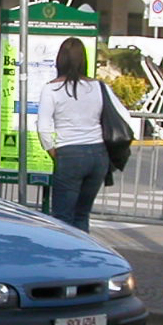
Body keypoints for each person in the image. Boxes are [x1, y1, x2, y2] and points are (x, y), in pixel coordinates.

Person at [36, 36, 126, 233]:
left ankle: (64, 259)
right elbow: (123, 115)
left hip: (69, 152)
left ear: (59, 60)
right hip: (98, 154)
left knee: (62, 217)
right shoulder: (99, 87)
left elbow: (43, 127)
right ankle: (81, 255)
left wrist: (53, 151)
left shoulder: (52, 89)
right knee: (82, 214)